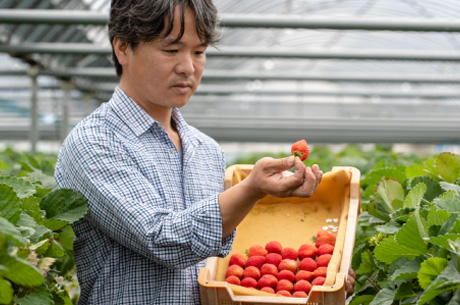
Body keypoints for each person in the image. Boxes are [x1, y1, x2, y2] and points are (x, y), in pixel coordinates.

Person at [54, 0, 335, 304]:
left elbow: (215, 265)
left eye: (198, 52)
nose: (188, 67)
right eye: (171, 50)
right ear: (122, 48)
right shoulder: (95, 142)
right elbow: (162, 239)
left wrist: (322, 275)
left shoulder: (206, 151)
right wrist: (251, 189)